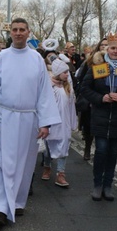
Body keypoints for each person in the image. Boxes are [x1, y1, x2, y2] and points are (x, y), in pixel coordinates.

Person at [0, 17, 60, 226]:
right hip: (3, 116)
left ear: (28, 32)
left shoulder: (36, 59)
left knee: (24, 161)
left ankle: (18, 202)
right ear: (10, 33)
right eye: (15, 30)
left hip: (29, 118)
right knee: (0, 163)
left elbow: (44, 93)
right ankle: (0, 208)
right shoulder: (2, 58)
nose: (19, 33)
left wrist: (45, 122)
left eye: (22, 29)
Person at [81, 32, 117, 201]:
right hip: (100, 115)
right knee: (101, 151)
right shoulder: (98, 65)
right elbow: (85, 88)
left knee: (113, 153)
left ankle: (108, 185)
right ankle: (97, 185)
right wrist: (101, 98)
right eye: (112, 48)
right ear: (107, 48)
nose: (115, 51)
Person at [44, 58, 78, 188]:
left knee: (64, 147)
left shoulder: (68, 88)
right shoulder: (48, 87)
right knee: (48, 148)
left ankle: (60, 173)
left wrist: (73, 123)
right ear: (58, 72)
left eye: (67, 72)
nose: (67, 74)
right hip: (51, 123)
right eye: (64, 72)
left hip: (64, 123)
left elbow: (71, 107)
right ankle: (47, 166)